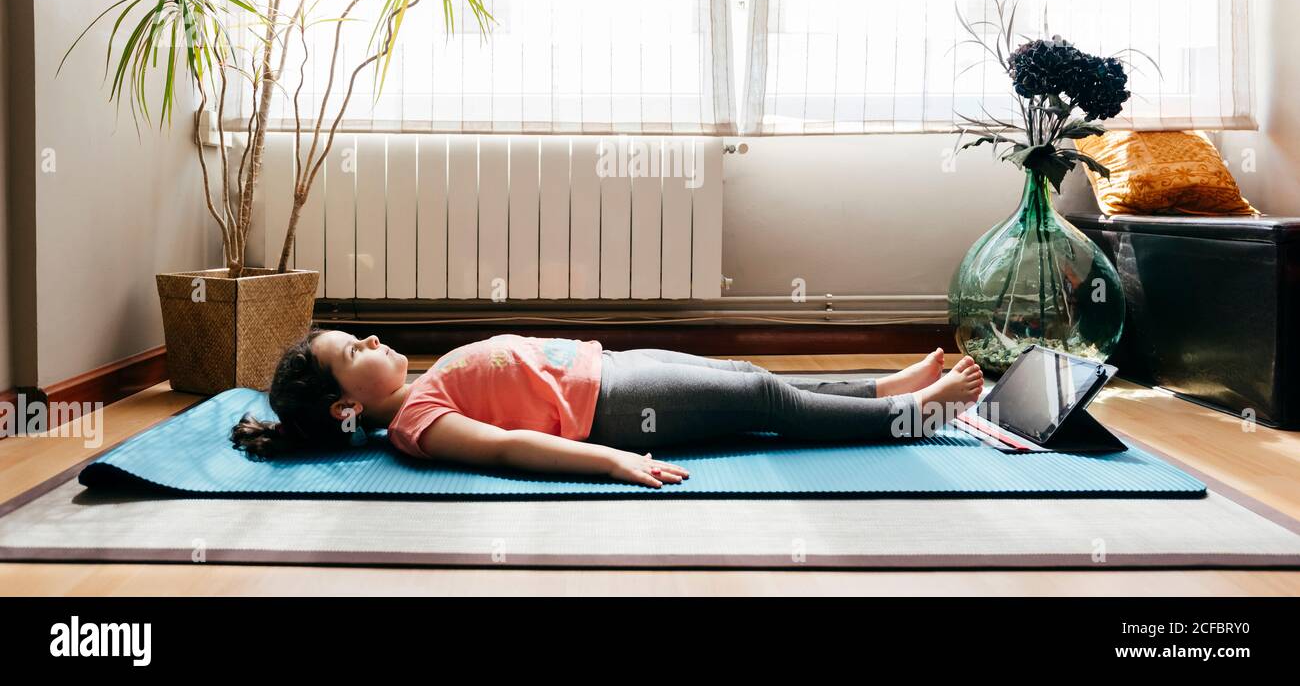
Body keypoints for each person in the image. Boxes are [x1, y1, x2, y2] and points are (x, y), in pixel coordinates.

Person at [230, 331, 985, 488]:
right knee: (760, 400)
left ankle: (886, 386)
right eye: (349, 350)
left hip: (612, 369)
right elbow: (505, 450)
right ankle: (913, 413)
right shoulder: (414, 424)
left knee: (747, 374)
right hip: (619, 410)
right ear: (342, 406)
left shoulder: (417, 386)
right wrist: (610, 459)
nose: (368, 336)